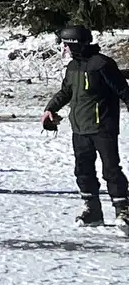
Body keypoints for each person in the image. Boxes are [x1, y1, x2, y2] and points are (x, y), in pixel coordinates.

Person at [44, 25, 129, 226]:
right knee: (82, 170)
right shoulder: (73, 67)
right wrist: (50, 109)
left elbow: (124, 91)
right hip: (80, 129)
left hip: (103, 128)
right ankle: (92, 211)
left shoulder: (102, 64)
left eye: (66, 45)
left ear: (75, 45)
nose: (64, 49)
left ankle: (123, 211)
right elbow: (66, 92)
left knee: (111, 170)